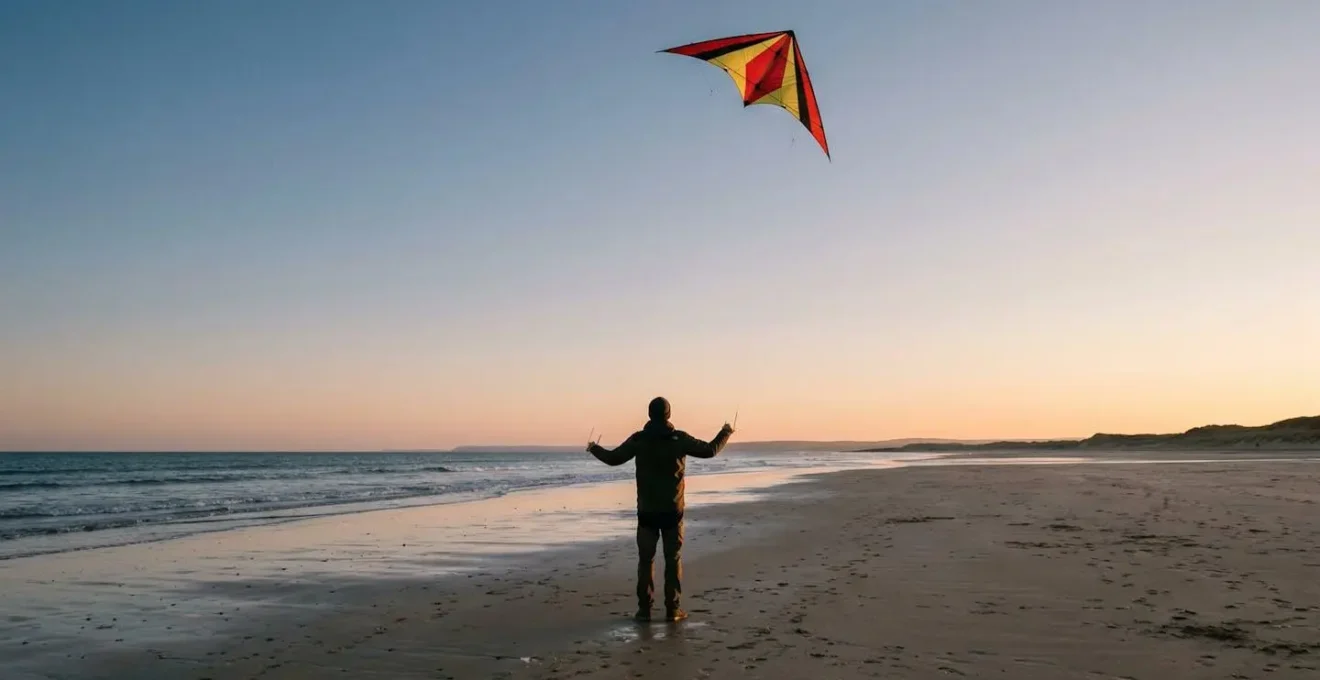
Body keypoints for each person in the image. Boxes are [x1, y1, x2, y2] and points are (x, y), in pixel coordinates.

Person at [587, 396, 734, 622]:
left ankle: (644, 610)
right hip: (672, 512)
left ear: (649, 414)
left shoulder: (639, 439)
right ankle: (672, 610)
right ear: (668, 415)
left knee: (646, 561)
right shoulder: (679, 439)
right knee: (673, 559)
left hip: (646, 512)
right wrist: (726, 432)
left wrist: (594, 448)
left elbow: (614, 458)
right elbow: (709, 450)